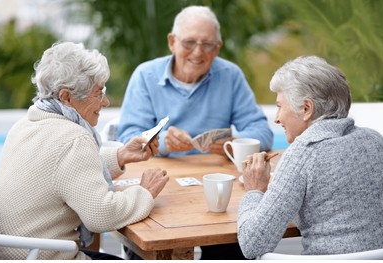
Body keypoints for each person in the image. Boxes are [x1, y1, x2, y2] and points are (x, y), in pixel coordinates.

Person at [0, 42, 169, 260]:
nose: (105, 102)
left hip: (11, 261)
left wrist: (121, 154)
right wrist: (145, 192)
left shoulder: (25, 125)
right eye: (98, 94)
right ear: (67, 97)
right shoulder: (73, 138)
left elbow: (63, 170)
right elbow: (101, 214)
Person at [237, 55, 383, 259]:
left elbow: (252, 244)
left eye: (280, 106)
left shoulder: (304, 153)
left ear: (306, 109)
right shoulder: (375, 140)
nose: (277, 118)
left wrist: (254, 190)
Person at [116, 5, 273, 158]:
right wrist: (163, 142)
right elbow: (126, 138)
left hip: (215, 174)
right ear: (172, 43)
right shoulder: (146, 75)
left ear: (217, 48)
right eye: (189, 42)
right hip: (161, 173)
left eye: (207, 44)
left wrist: (237, 143)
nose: (198, 53)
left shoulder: (231, 75)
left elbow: (263, 133)